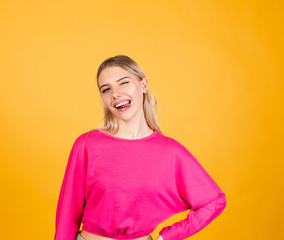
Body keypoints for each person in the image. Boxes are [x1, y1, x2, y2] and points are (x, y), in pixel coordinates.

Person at [54, 55, 227, 240]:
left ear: (143, 85)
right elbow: (68, 214)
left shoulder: (170, 152)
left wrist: (168, 237)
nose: (115, 93)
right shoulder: (87, 144)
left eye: (123, 83)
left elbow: (213, 201)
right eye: (106, 89)